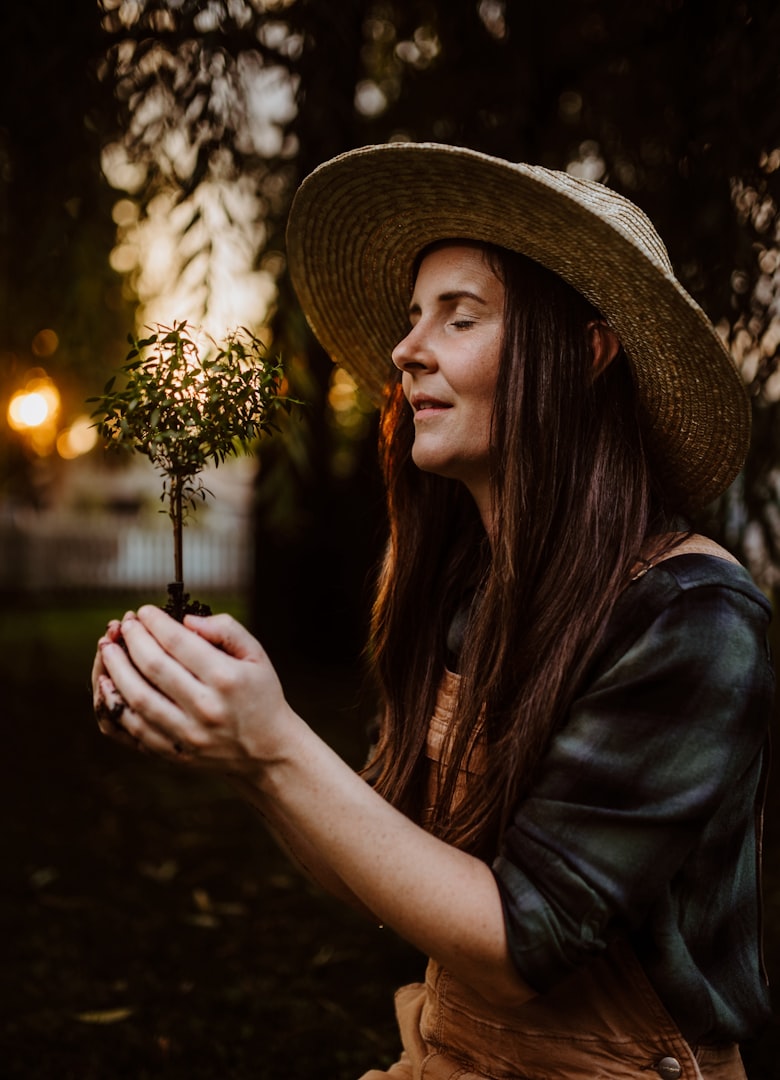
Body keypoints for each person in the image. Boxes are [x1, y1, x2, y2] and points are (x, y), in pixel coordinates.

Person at [93, 143, 773, 1079]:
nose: (406, 349)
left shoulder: (693, 618)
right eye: (416, 318)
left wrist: (276, 740)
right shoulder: (470, 595)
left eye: (461, 318)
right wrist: (237, 747)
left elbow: (517, 951)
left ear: (582, 353)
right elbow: (386, 863)